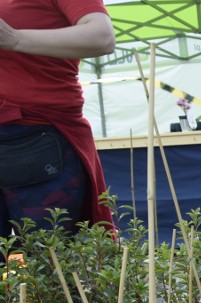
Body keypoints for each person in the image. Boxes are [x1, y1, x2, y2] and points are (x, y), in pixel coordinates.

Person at [0, 0, 115, 239]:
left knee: (51, 256)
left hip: (34, 137)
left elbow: (102, 36)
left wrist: (15, 39)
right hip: (26, 137)